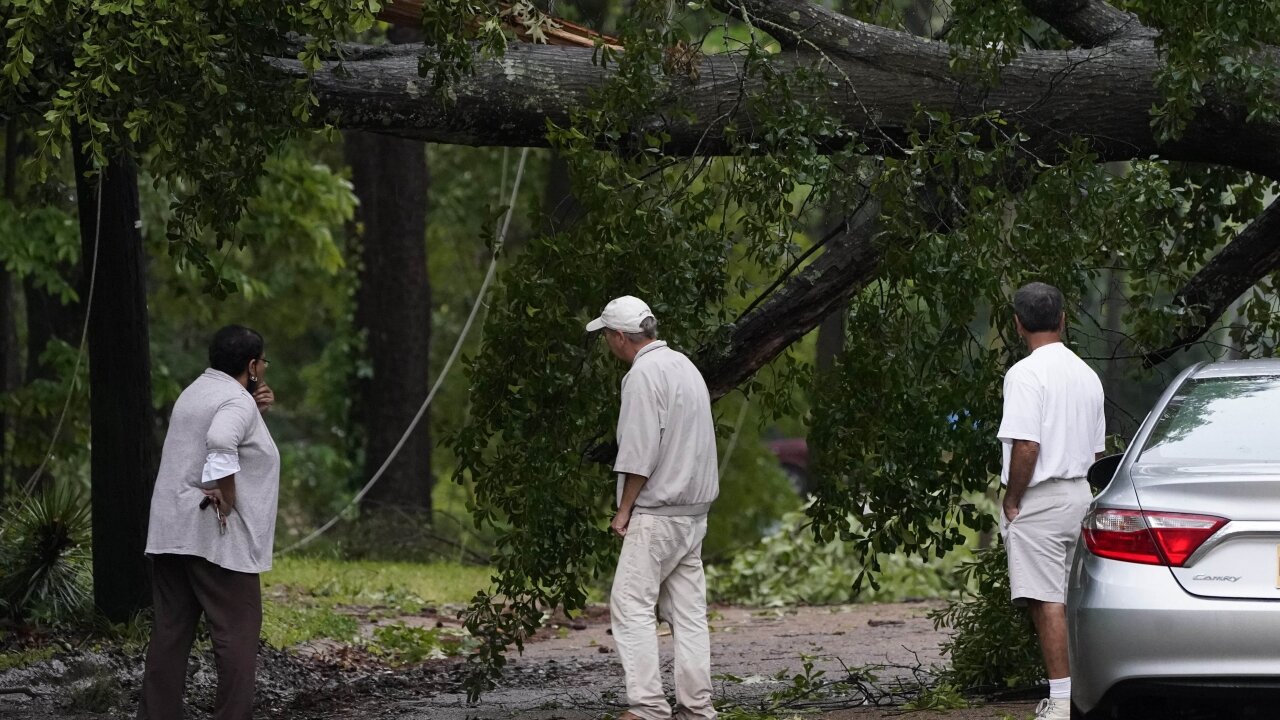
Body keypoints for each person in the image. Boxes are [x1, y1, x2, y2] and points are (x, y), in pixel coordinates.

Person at [587, 295, 719, 720]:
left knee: (630, 605)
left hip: (659, 511)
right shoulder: (684, 365)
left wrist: (624, 509)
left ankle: (646, 707)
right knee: (688, 612)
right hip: (694, 510)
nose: (607, 342)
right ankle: (697, 707)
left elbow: (640, 450)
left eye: (607, 335)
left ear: (621, 337)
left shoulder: (643, 376)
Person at [138, 325, 279, 720]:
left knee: (170, 635)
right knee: (237, 636)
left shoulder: (196, 391)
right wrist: (228, 496)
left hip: (172, 531)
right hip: (216, 539)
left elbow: (221, 435)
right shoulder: (235, 402)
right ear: (252, 365)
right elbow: (220, 439)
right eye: (262, 363)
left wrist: (254, 410)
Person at [997, 283, 1105, 720]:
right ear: (1062, 319)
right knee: (1076, 600)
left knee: (1047, 602)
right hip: (1081, 492)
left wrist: (1012, 500)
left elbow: (1026, 445)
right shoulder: (1087, 374)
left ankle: (1061, 703)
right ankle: (1084, 695)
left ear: (1018, 324)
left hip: (1040, 498)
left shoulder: (1024, 374)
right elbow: (1098, 453)